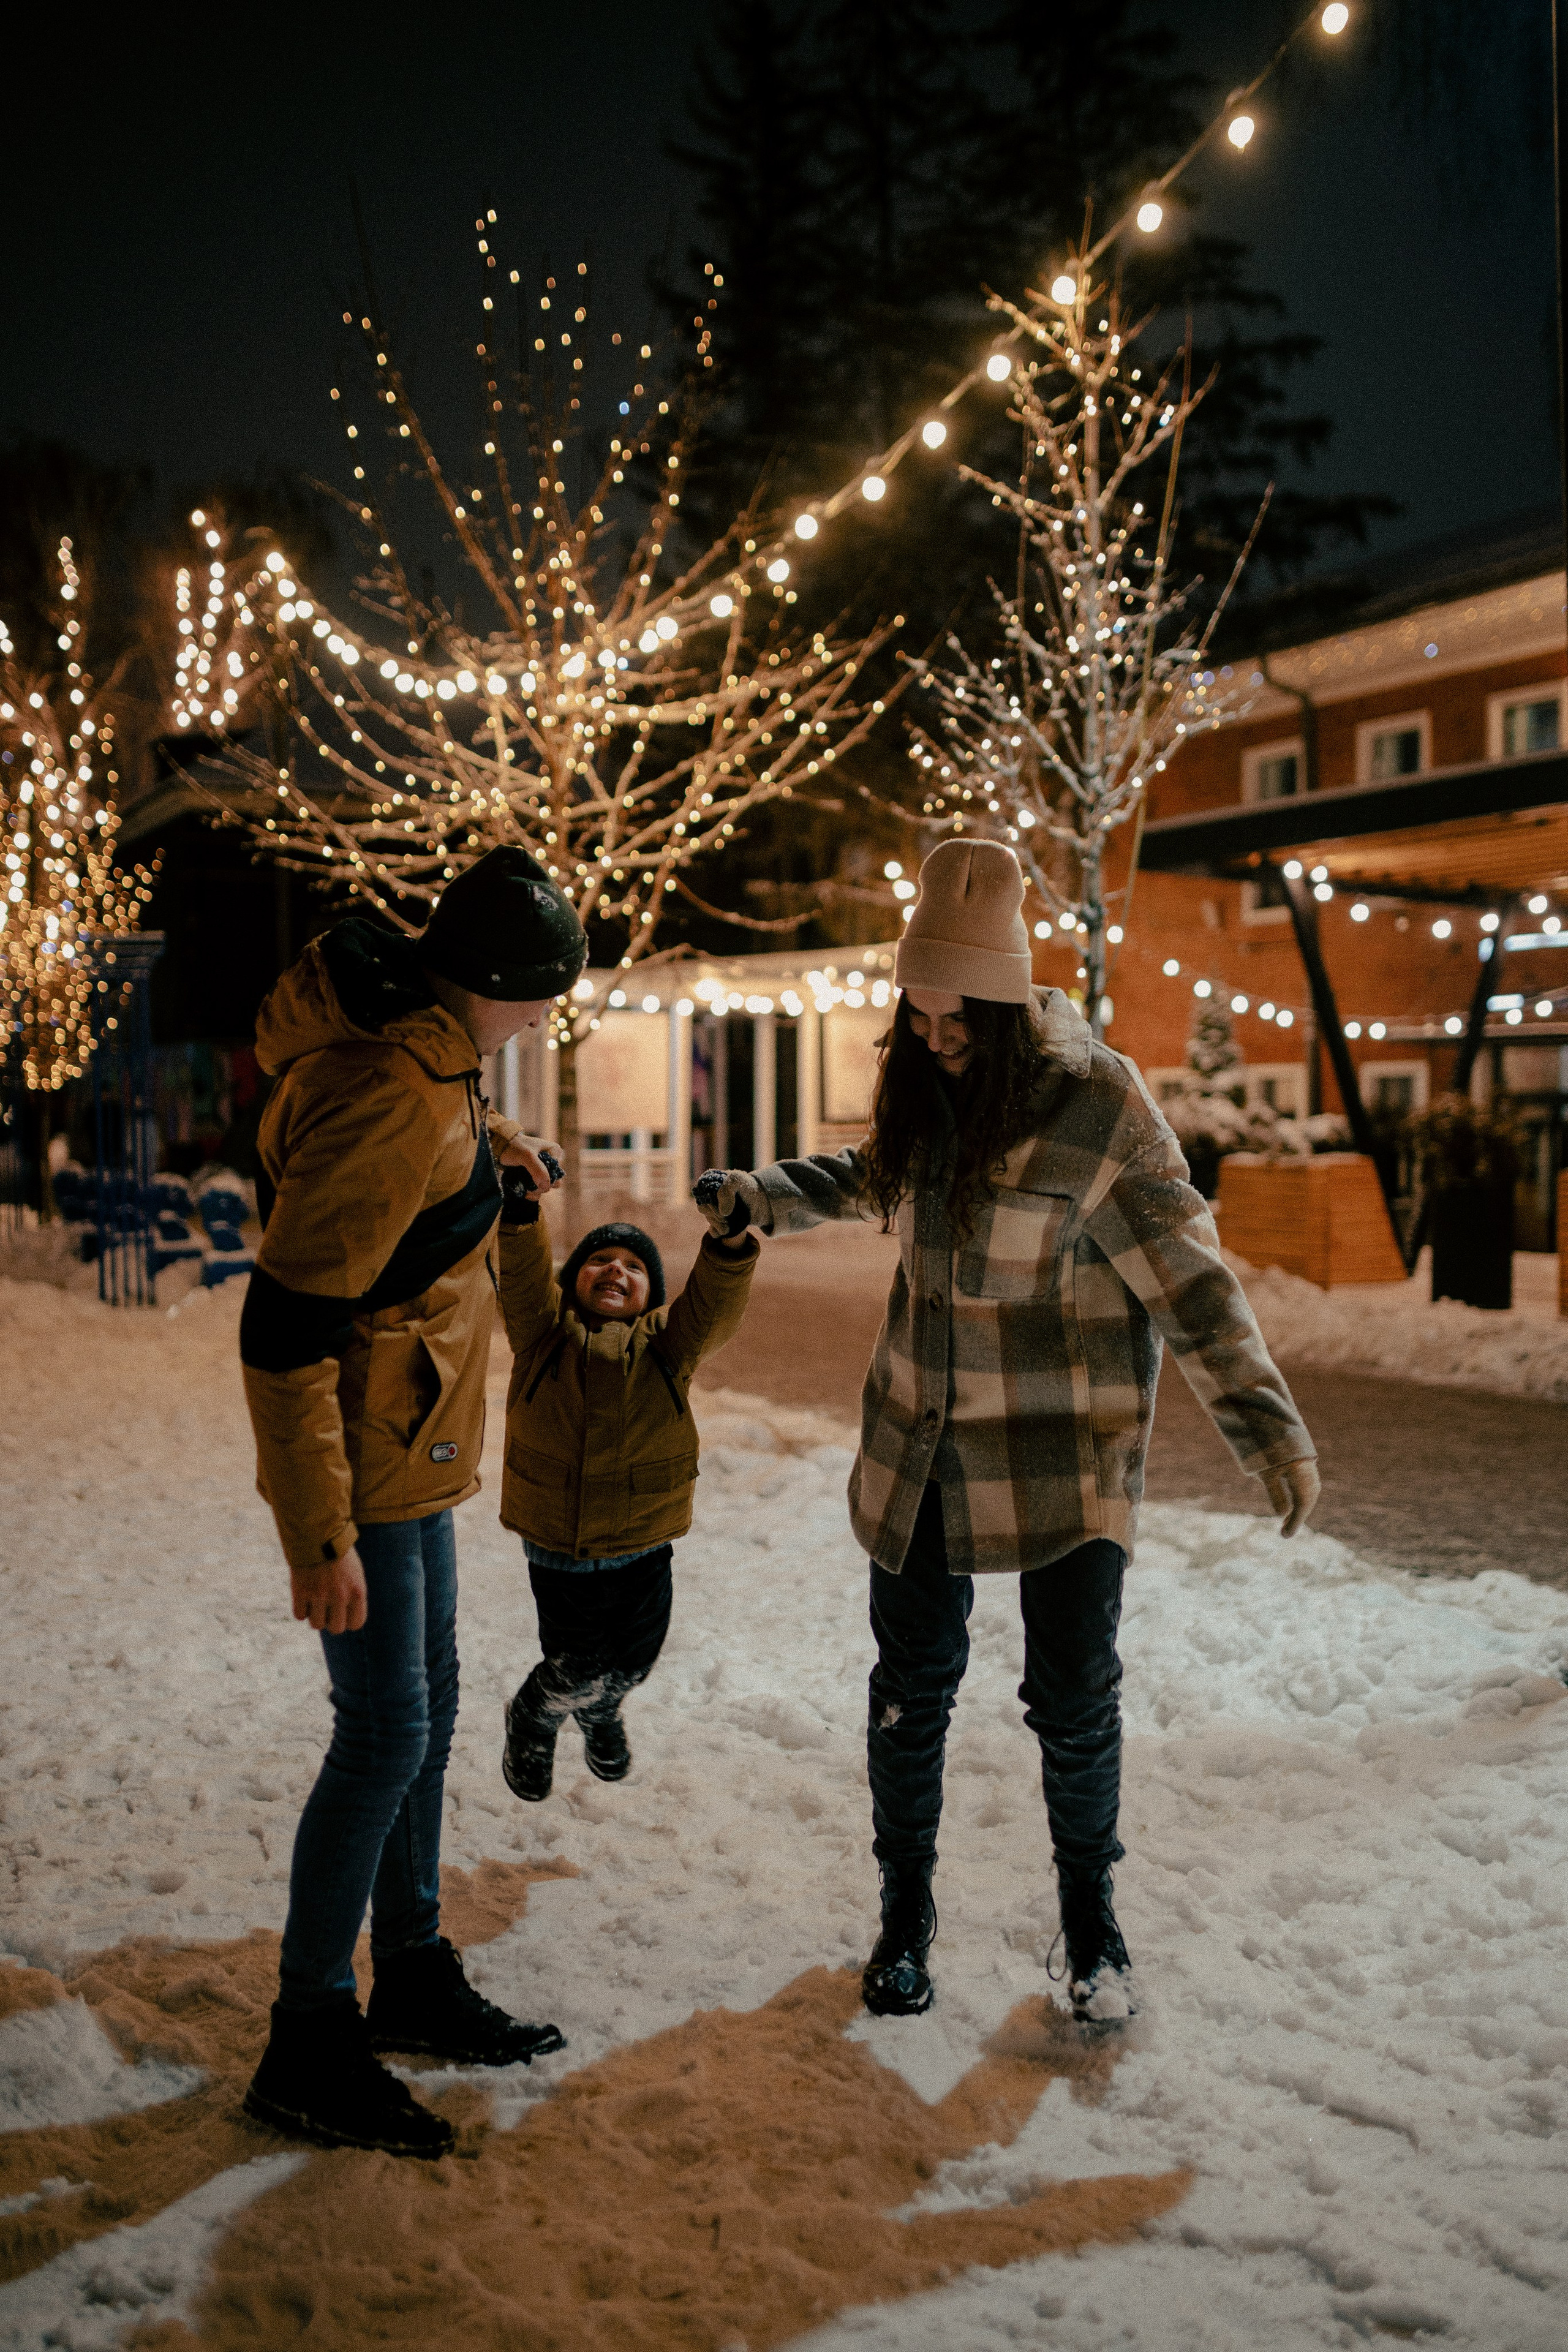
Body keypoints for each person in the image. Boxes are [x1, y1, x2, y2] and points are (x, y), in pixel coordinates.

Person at [693, 839, 1319, 2025]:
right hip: (922, 1443)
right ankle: (903, 1919)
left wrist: (1267, 1431)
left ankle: (1091, 1926)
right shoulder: (926, 1087)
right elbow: (872, 1172)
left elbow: (1190, 1280)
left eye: (956, 1020)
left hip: (1062, 1456)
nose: (934, 1039)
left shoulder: (1100, 1108)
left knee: (1072, 1696)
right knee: (908, 1688)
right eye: (917, 1016)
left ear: (1006, 1001)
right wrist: (764, 1195)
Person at [238, 846, 587, 2158]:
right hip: (367, 1469)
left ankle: (414, 1970)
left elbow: (431, 1146)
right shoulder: (391, 1083)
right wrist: (317, 1536)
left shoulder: (432, 1057)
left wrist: (504, 1155)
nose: (548, 1016)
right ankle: (308, 2036)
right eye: (545, 993)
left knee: (424, 1717)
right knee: (384, 1735)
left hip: (410, 1444)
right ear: (498, 983)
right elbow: (285, 1328)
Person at [496, 1202, 758, 1800]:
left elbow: (714, 1308)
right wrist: (522, 1212)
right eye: (600, 1259)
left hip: (643, 1540)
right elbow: (522, 1276)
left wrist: (728, 1243)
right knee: (577, 1662)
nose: (616, 1269)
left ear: (651, 1296)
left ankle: (599, 1711)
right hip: (561, 1547)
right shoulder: (541, 1333)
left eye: (634, 1266)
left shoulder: (669, 1346)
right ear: (571, 1280)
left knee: (637, 1659)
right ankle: (535, 1716)